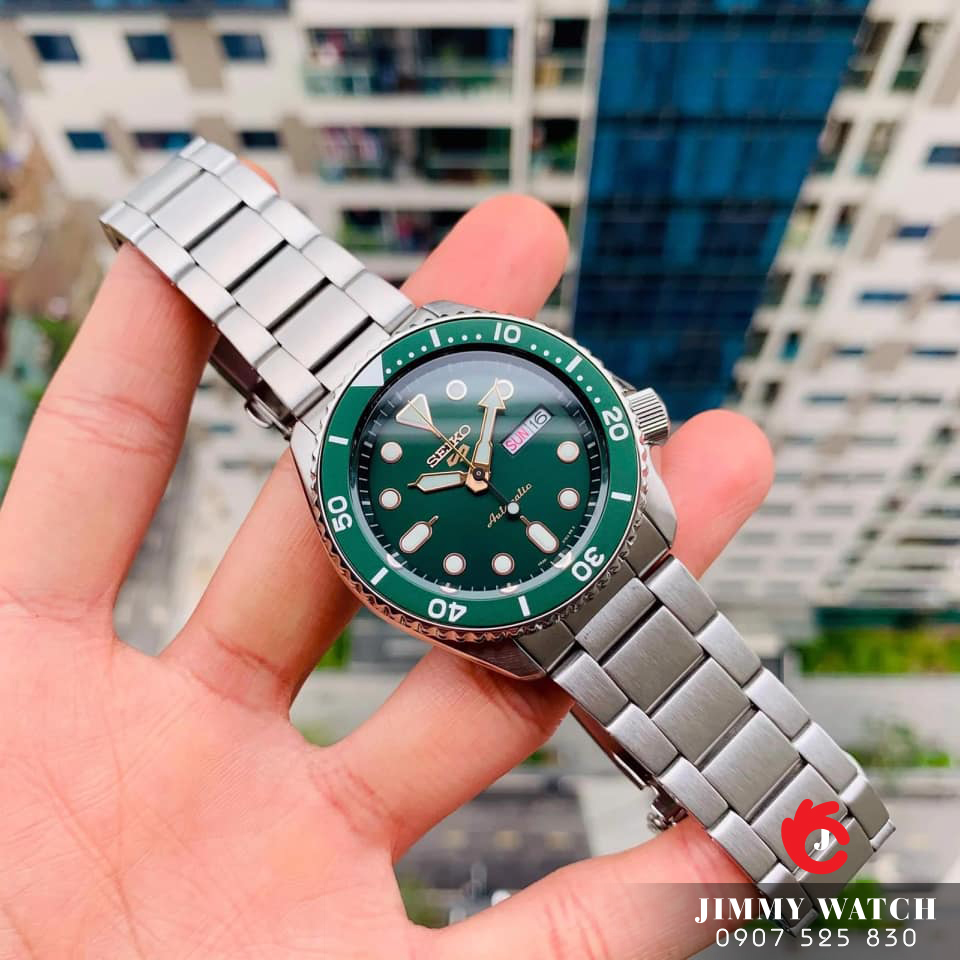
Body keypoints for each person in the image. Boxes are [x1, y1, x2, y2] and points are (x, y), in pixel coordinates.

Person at [0, 173, 772, 957]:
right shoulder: (362, 466)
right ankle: (804, 826)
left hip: (586, 546)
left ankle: (803, 818)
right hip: (529, 579)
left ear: (625, 417)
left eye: (482, 452)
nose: (477, 473)